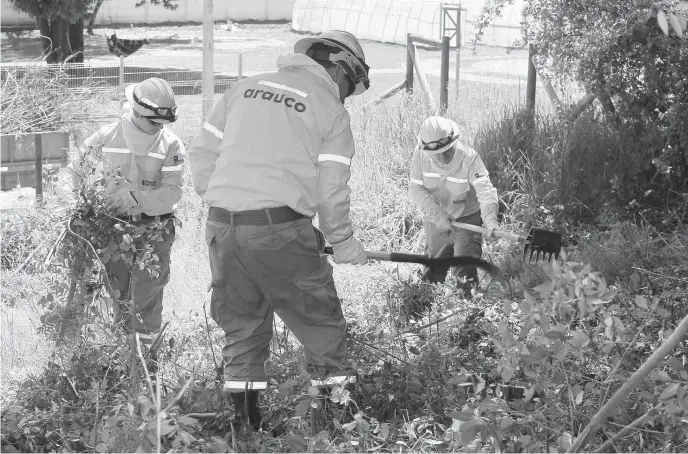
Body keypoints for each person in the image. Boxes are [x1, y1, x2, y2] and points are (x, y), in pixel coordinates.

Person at [188, 30, 370, 432]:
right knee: (320, 319)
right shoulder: (330, 110)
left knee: (243, 324)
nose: (345, 95)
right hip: (279, 231)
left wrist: (231, 203)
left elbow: (201, 156)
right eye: (349, 85)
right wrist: (341, 241)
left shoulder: (244, 89)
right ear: (341, 68)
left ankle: (245, 428)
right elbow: (332, 191)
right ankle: (340, 423)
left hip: (222, 225)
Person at [67, 77, 185, 355]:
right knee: (118, 293)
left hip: (155, 228)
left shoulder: (171, 144)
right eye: (155, 122)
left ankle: (145, 360)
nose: (160, 126)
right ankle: (125, 357)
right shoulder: (106, 136)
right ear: (136, 112)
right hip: (113, 231)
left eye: (163, 122)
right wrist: (80, 203)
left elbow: (171, 194)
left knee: (147, 295)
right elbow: (76, 171)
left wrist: (132, 200)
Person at [408, 115, 500, 291]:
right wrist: (438, 214)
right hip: (436, 220)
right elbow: (416, 189)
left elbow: (485, 191)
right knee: (433, 267)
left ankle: (468, 308)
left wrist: (490, 220)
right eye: (436, 154)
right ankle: (426, 306)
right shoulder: (419, 156)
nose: (442, 158)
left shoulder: (470, 158)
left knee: (465, 270)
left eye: (447, 151)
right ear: (426, 149)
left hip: (467, 219)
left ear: (455, 142)